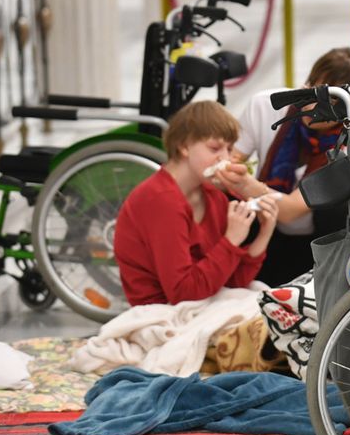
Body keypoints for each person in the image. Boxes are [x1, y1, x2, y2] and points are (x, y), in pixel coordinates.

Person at [232, 47, 350, 285]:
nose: (311, 106)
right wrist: (228, 171)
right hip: (264, 230)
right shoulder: (266, 106)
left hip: (316, 245)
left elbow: (290, 211)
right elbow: (230, 158)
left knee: (337, 206)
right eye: (312, 88)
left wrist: (246, 183)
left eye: (329, 100)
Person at [114, 100, 279, 306]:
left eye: (229, 150)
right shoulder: (162, 199)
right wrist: (231, 240)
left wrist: (264, 233)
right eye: (215, 148)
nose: (224, 158)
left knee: (268, 298)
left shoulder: (213, 196)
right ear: (184, 146)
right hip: (160, 312)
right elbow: (182, 293)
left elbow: (232, 282)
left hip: (199, 302)